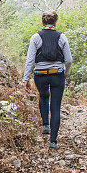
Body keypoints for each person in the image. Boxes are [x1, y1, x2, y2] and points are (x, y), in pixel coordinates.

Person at [22, 11, 72, 149]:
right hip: (57, 75)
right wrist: (65, 73)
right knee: (55, 106)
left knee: (43, 97)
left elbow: (30, 60)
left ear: (42, 22)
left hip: (40, 75)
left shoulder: (36, 37)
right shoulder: (61, 37)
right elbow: (68, 60)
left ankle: (45, 125)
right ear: (55, 22)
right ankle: (53, 141)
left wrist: (26, 79)